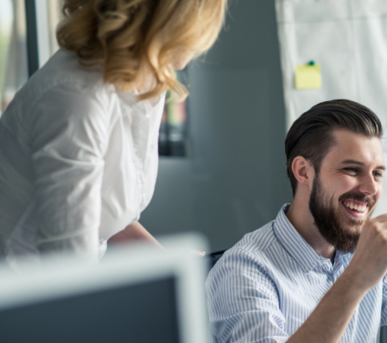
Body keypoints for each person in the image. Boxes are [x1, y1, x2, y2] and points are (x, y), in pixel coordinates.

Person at [206, 100, 387, 343]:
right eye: (352, 170)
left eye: (378, 173)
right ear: (303, 172)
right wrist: (357, 277)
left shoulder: (363, 256)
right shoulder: (244, 270)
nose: (371, 189)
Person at [0, 0, 226, 266]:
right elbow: (70, 267)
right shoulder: (76, 98)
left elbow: (105, 211)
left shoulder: (145, 76)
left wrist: (167, 262)